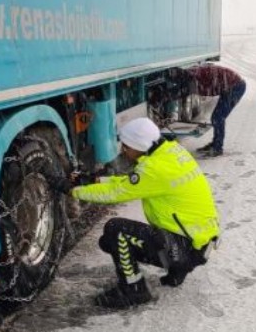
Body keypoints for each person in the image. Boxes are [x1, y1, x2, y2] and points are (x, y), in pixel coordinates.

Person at [50, 117, 221, 309]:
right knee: (110, 240)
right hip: (200, 242)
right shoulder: (171, 152)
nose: (123, 150)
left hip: (185, 247)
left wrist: (72, 190)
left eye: (126, 145)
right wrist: (94, 180)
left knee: (115, 231)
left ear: (139, 145)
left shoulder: (154, 169)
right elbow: (130, 182)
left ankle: (134, 289)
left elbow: (118, 192)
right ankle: (177, 271)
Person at [186, 64, 246, 157]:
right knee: (217, 117)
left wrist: (194, 91)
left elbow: (210, 92)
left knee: (218, 117)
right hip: (228, 86)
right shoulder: (193, 75)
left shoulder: (199, 77)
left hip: (235, 87)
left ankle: (217, 148)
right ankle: (215, 144)